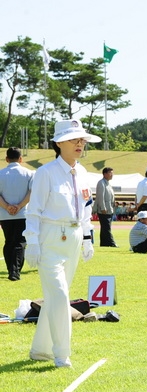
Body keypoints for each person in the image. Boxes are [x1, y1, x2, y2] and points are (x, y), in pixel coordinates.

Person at [23, 120, 100, 368]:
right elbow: (33, 211)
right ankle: (61, 353)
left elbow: (86, 208)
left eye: (82, 139)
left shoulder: (84, 172)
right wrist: (32, 241)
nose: (80, 143)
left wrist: (88, 238)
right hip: (51, 237)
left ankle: (40, 350)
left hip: (74, 238)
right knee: (59, 295)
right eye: (74, 139)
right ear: (58, 143)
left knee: (56, 295)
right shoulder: (45, 173)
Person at [0, 147, 34, 281]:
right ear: (21, 158)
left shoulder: (1, 173)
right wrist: (19, 206)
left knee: (9, 241)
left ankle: (11, 269)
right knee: (20, 242)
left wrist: (7, 206)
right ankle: (16, 271)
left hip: (4, 214)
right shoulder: (29, 173)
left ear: (7, 159)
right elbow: (31, 193)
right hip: (23, 213)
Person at [95, 167, 117, 247]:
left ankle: (104, 243)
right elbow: (100, 196)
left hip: (109, 209)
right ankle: (111, 243)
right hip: (104, 209)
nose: (112, 175)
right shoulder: (101, 183)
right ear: (104, 174)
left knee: (105, 227)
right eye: (110, 173)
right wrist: (103, 207)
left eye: (112, 173)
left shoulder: (108, 183)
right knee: (106, 227)